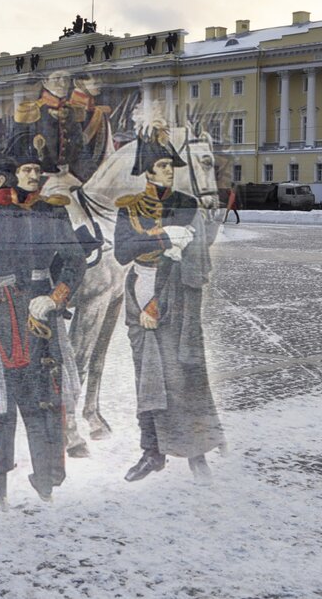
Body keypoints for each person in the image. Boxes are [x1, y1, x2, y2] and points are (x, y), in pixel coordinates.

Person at [0, 143, 86, 508]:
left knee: (42, 401)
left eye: (37, 171)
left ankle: (45, 480)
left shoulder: (51, 214)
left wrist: (56, 296)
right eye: (26, 170)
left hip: (39, 319)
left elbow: (75, 263)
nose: (33, 176)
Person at [113, 125, 225, 483]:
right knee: (146, 377)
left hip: (175, 293)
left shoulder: (186, 204)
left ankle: (197, 453)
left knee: (185, 374)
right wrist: (162, 238)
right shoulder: (129, 209)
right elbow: (121, 253)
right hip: (138, 290)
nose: (168, 171)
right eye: (162, 166)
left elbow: (192, 255)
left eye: (170, 166)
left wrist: (159, 302)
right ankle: (152, 452)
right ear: (147, 171)